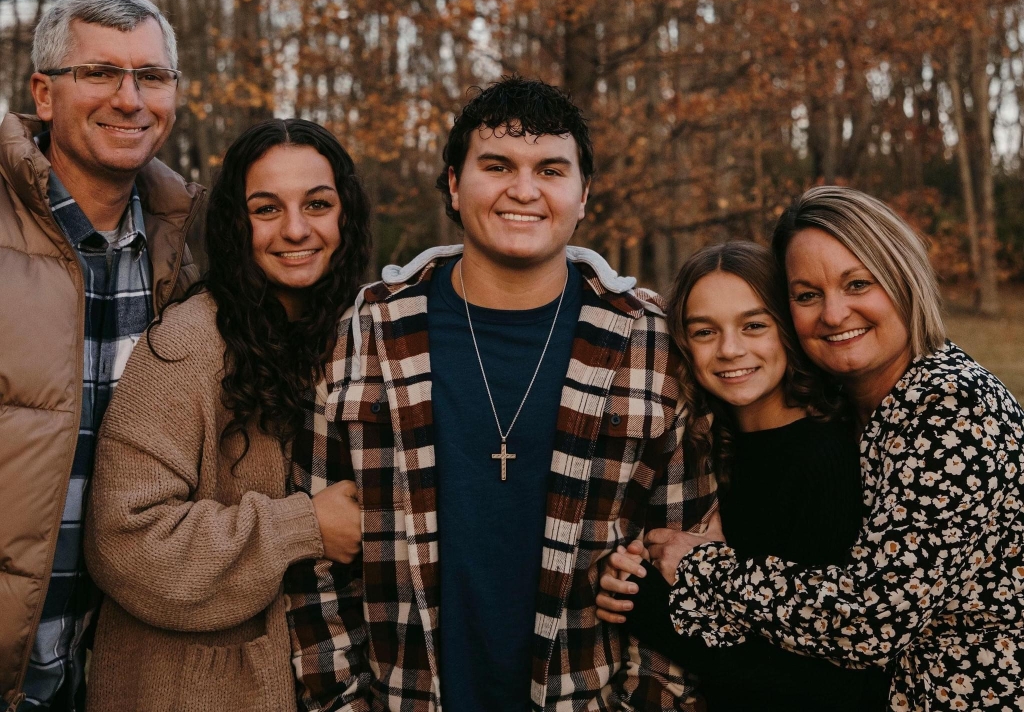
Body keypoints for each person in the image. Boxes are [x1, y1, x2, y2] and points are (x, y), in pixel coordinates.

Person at [285, 75, 718, 712]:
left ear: (583, 193)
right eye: (497, 165)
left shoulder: (649, 343)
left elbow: (683, 552)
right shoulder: (368, 333)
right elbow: (314, 562)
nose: (524, 189)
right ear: (455, 186)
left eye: (550, 169)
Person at [608, 186, 1024, 712]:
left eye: (857, 284)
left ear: (903, 278)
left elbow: (870, 621)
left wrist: (697, 571)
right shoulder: (855, 408)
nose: (833, 313)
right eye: (807, 295)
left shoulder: (950, 405)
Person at [82, 118, 372, 711]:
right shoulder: (188, 347)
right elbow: (123, 543)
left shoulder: (360, 338)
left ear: (346, 214)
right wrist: (304, 526)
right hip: (190, 689)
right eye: (266, 209)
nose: (296, 230)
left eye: (317, 204)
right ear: (237, 226)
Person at [0, 0, 205, 711]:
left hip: (100, 675)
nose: (130, 98)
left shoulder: (191, 250)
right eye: (100, 73)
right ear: (44, 93)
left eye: (151, 76)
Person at [595, 241, 889, 710]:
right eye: (705, 331)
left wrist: (645, 605)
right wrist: (630, 570)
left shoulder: (820, 459)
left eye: (754, 325)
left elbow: (830, 679)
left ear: (787, 330)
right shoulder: (711, 442)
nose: (730, 350)